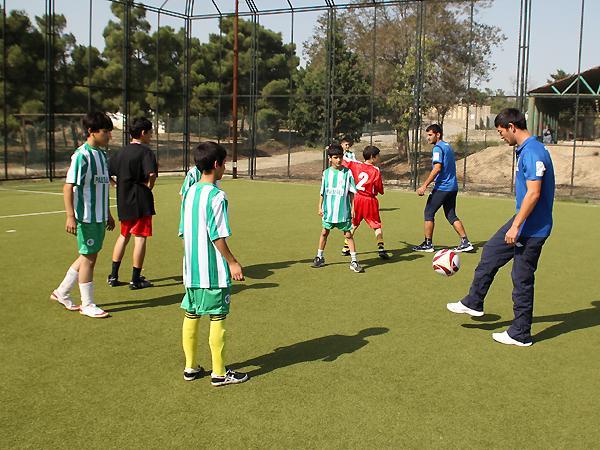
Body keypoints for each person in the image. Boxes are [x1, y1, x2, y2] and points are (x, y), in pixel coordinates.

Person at [447, 108, 555, 347]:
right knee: (491, 252)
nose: (501, 136)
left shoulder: (532, 152)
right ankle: (474, 302)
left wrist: (516, 226)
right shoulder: (528, 149)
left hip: (532, 228)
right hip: (524, 221)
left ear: (511, 127)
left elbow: (534, 193)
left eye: (501, 132)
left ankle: (520, 334)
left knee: (521, 279)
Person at [180, 141, 248, 386]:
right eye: (225, 163)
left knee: (192, 313)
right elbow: (217, 234)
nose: (225, 168)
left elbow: (184, 231)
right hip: (212, 271)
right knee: (217, 317)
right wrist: (232, 262)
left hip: (191, 269)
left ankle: (190, 367)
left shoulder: (189, 193)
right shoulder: (217, 196)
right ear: (217, 164)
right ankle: (219, 373)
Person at [50, 112, 115, 318]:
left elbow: (102, 187)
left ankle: (62, 292)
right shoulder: (81, 156)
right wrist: (70, 216)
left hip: (99, 217)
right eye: (105, 131)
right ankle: (87, 304)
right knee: (89, 258)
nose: (109, 136)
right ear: (91, 131)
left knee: (88, 254)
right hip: (86, 217)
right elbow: (68, 187)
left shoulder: (102, 155)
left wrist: (108, 213)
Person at [107, 117, 158, 290]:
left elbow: (107, 172)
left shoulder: (121, 152)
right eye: (150, 132)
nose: (151, 136)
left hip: (124, 200)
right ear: (143, 133)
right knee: (140, 237)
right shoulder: (145, 152)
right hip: (141, 199)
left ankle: (113, 276)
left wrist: (115, 185)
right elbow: (151, 174)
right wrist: (149, 186)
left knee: (124, 235)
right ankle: (135, 279)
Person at [412, 124, 473, 253]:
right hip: (452, 187)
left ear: (438, 134)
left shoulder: (437, 148)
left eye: (430, 135)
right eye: (427, 135)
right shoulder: (447, 146)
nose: (428, 138)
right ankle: (465, 242)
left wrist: (424, 185)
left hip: (443, 187)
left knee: (428, 212)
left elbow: (437, 168)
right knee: (451, 215)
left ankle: (428, 244)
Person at [311, 144, 363, 272]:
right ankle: (319, 257)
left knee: (348, 235)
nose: (339, 160)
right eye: (335, 157)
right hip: (329, 211)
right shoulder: (326, 173)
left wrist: (353, 208)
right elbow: (322, 191)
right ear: (330, 158)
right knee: (324, 232)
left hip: (343, 212)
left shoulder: (347, 172)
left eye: (340, 157)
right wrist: (319, 207)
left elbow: (352, 193)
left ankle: (354, 261)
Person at [341, 145, 390, 259]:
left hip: (357, 199)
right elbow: (379, 188)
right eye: (378, 156)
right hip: (369, 200)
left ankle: (345, 247)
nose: (379, 158)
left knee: (354, 224)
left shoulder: (356, 165)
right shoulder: (375, 170)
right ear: (372, 157)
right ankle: (381, 248)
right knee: (376, 225)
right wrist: (380, 190)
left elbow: (345, 161)